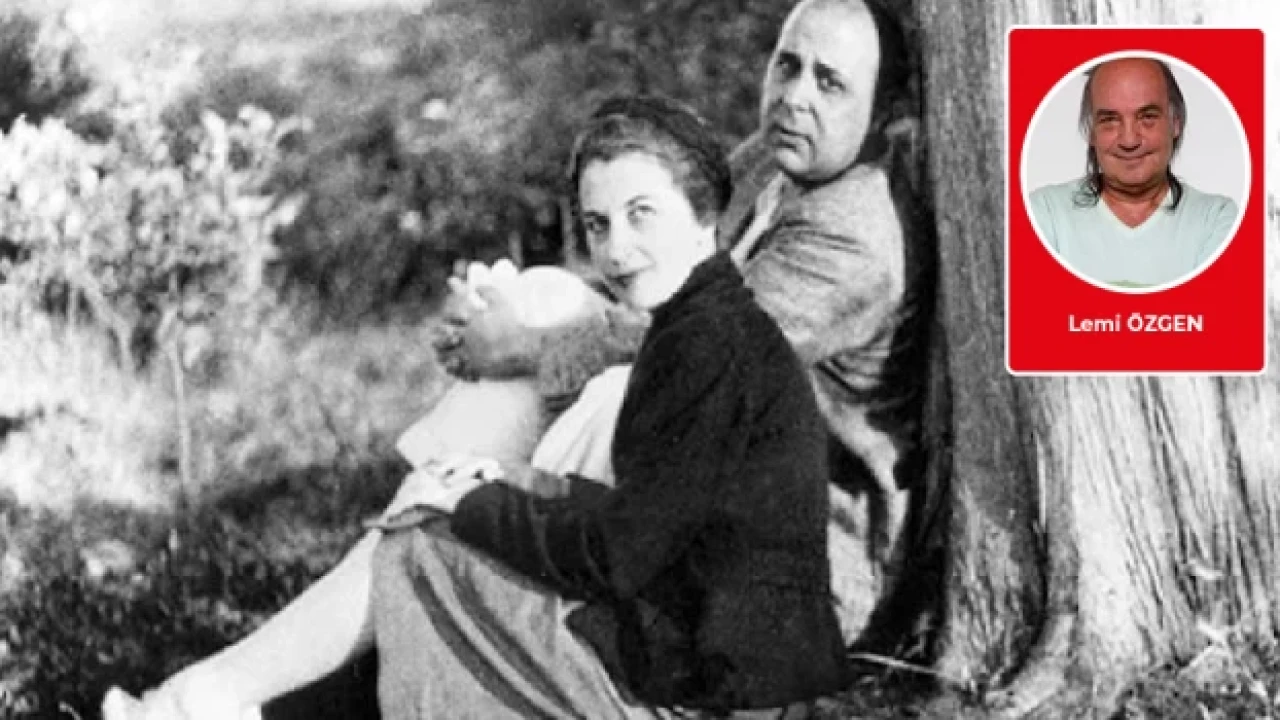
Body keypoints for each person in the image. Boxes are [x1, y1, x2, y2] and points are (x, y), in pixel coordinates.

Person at [106, 95, 849, 719]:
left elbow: (619, 555)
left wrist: (475, 508)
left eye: (641, 214)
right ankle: (243, 701)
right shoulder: (703, 322)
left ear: (704, 214)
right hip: (707, 646)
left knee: (426, 548)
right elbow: (651, 520)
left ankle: (226, 702)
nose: (618, 249)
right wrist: (497, 488)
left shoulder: (707, 345)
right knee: (459, 504)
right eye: (598, 224)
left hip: (712, 691)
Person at [439, 0, 932, 643]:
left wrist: (519, 347)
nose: (794, 97)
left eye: (830, 82)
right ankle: (438, 514)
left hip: (798, 561)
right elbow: (664, 277)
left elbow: (694, 346)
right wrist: (495, 316)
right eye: (787, 65)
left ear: (885, 111)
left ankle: (457, 527)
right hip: (697, 471)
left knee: (611, 386)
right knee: (544, 292)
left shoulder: (858, 241)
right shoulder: (776, 158)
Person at [1028, 56, 1239, 289]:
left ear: (1175, 124)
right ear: (1091, 131)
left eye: (1147, 117)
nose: (1129, 140)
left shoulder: (1217, 219)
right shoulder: (1044, 213)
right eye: (1110, 120)